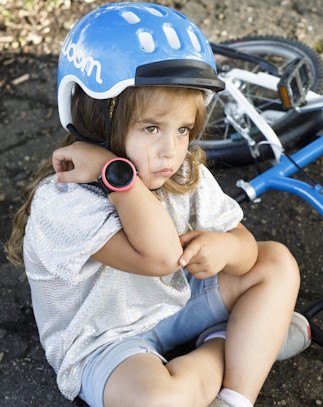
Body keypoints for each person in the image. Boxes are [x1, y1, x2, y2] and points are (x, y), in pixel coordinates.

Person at [5, 3, 311, 407]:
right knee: (158, 400)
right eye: (152, 128)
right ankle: (242, 345)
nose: (171, 151)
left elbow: (247, 248)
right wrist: (115, 174)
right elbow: (162, 256)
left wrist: (229, 248)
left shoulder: (179, 171)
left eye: (183, 129)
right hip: (104, 343)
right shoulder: (62, 201)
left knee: (277, 263)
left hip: (174, 303)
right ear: (95, 118)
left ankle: (235, 398)